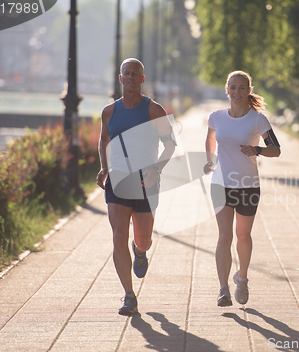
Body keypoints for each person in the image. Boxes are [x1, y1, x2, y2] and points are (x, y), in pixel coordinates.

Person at [96, 58, 175, 315]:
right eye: (126, 73)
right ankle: (129, 296)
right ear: (120, 78)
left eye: (135, 74)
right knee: (118, 235)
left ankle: (140, 252)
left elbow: (171, 144)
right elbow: (103, 139)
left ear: (142, 79)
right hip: (118, 179)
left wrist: (156, 169)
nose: (130, 77)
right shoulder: (109, 112)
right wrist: (104, 167)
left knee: (143, 239)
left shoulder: (154, 110)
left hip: (146, 180)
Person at [204, 70, 281, 306]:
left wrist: (256, 150)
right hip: (220, 184)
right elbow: (210, 139)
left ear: (249, 91)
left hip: (248, 186)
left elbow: (275, 149)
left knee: (243, 235)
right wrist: (210, 159)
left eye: (241, 88)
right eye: (233, 88)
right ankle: (223, 289)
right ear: (227, 90)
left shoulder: (257, 120)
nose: (237, 92)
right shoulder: (216, 117)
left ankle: (243, 278)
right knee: (224, 236)